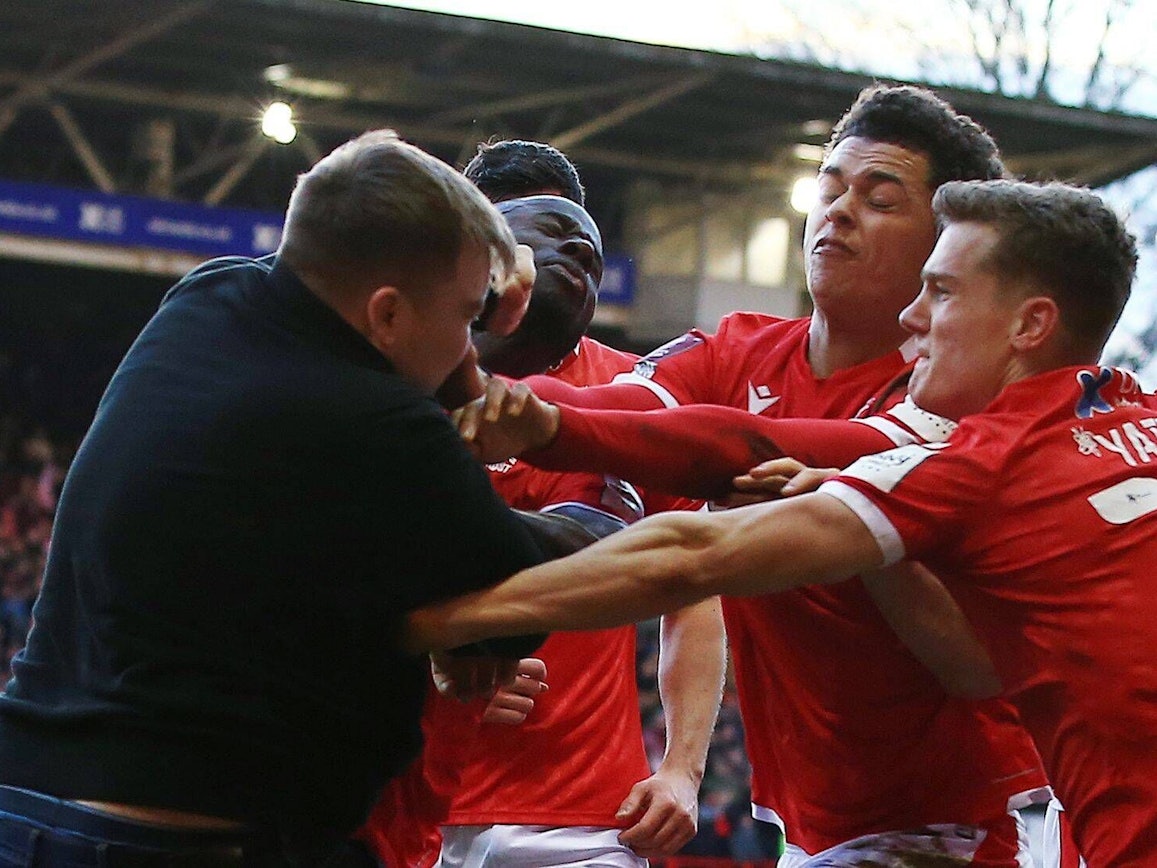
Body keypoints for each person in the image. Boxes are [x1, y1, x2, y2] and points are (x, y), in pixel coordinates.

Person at [406, 179, 1153, 867]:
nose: (912, 316)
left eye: (941, 290)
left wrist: (427, 626)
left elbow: (690, 551)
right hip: (835, 828)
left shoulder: (966, 454)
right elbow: (981, 662)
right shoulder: (1131, 420)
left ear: (1030, 324)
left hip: (946, 829)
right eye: (831, 183)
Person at [0, 129, 568, 866]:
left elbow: (336, 235)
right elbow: (524, 600)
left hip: (24, 802)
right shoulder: (376, 422)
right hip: (180, 839)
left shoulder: (207, 297)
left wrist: (476, 291)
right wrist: (605, 491)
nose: (473, 347)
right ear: (387, 315)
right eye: (467, 317)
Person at [432, 191, 725, 868]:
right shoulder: (397, 375)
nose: (576, 255)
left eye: (590, 250)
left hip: (583, 820)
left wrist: (682, 768)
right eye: (550, 233)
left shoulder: (631, 393)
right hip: (406, 797)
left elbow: (693, 585)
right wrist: (439, 664)